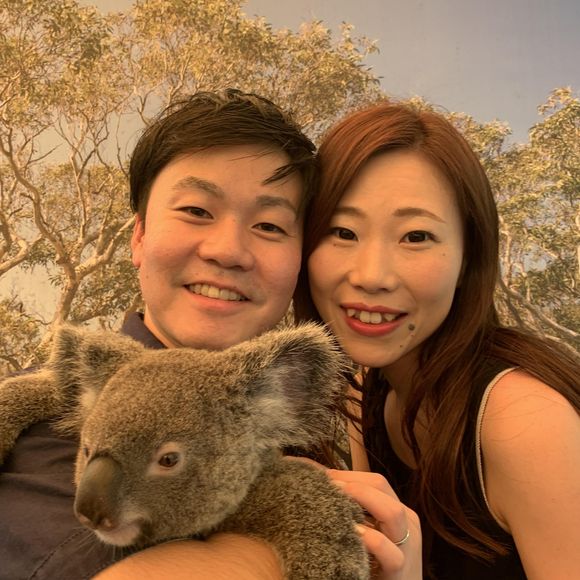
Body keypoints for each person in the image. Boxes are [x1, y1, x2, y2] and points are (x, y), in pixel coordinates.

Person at [0, 89, 309, 580]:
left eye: (270, 226)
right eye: (197, 211)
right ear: (138, 236)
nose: (228, 250)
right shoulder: (46, 436)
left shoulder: (286, 431)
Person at [295, 100, 580, 579]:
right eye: (342, 231)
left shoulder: (523, 421)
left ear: (468, 258)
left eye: (416, 237)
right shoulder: (367, 390)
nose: (372, 276)